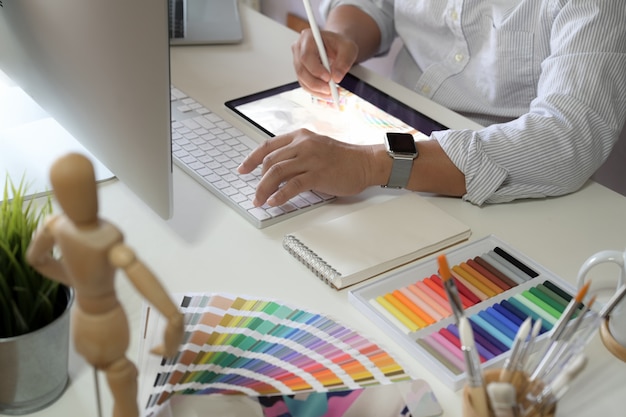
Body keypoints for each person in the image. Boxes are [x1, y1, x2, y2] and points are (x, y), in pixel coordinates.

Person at [238, 0, 626, 207]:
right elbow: (379, 5)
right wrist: (340, 36)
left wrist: (368, 163)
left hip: (502, 183)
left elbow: (565, 139)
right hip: (395, 126)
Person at [26, 153, 184, 417]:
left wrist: (72, 279)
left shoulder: (54, 226)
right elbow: (140, 276)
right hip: (109, 324)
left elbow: (35, 259)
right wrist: (172, 316)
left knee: (119, 376)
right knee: (122, 378)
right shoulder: (108, 240)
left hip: (82, 324)